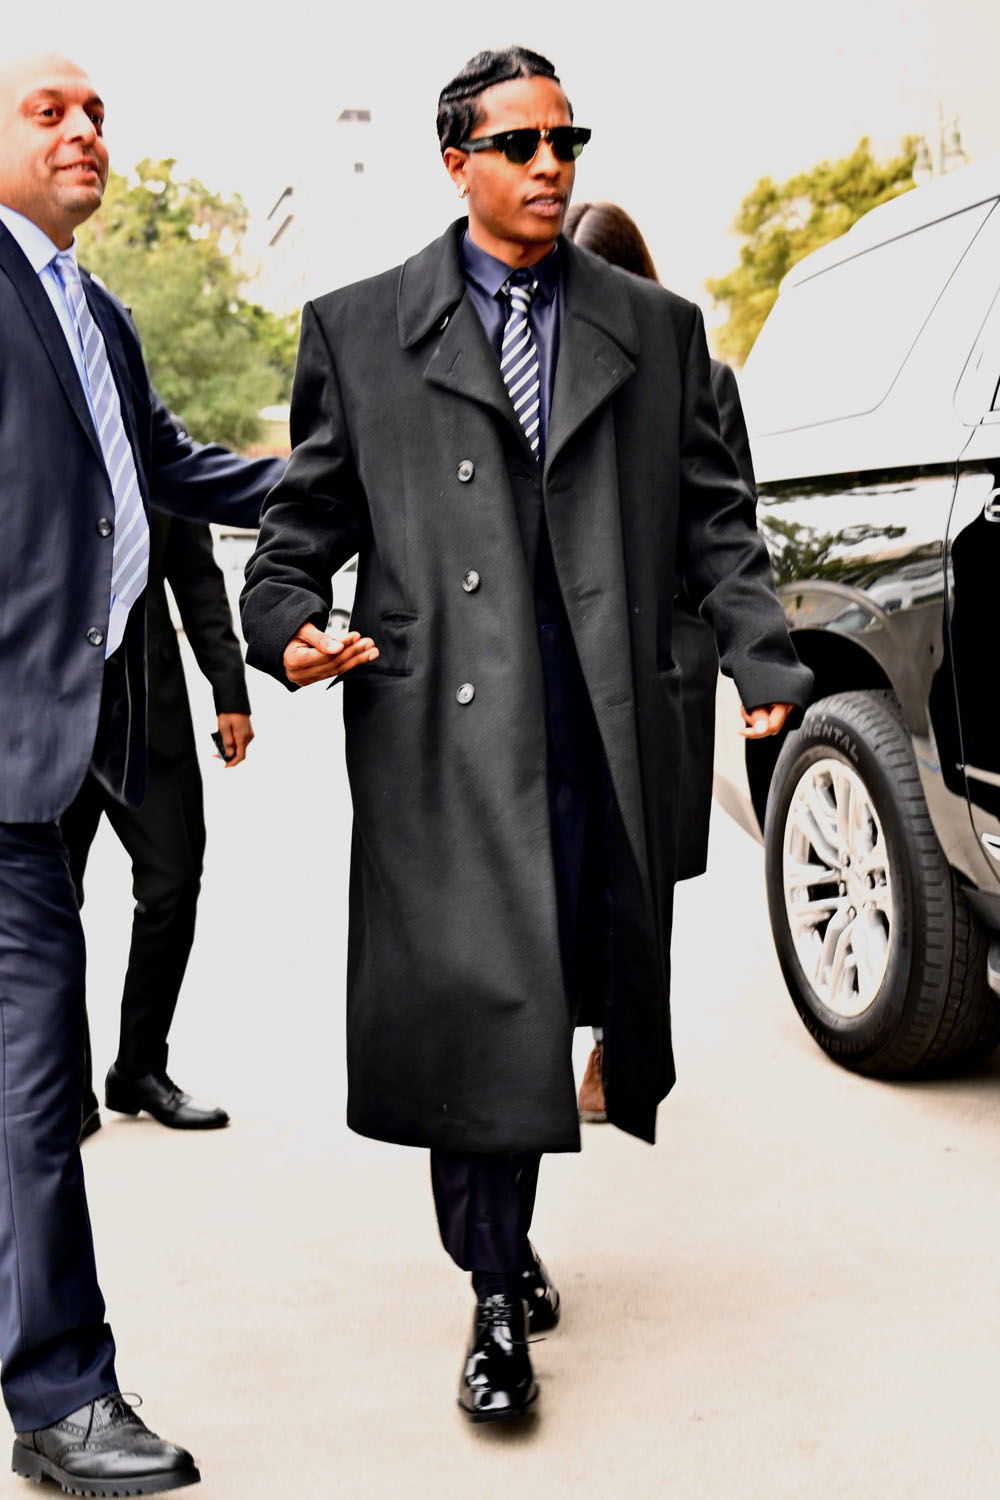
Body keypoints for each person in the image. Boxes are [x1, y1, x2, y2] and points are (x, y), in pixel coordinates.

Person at [241, 45, 813, 1424]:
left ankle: (500, 1247)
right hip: (442, 742)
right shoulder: (359, 330)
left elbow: (716, 518)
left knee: (547, 1003)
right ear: (458, 162)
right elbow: (298, 531)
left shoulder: (654, 330)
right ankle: (494, 1293)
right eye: (520, 144)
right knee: (480, 1013)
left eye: (567, 141)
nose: (551, 164)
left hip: (598, 723)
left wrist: (759, 648)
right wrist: (287, 623)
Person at [0, 52, 284, 1494]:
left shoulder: (94, 312)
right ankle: (60, 1401)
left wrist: (347, 482)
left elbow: (171, 469)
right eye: (48, 111)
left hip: (74, 739)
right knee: (33, 1089)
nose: (85, 132)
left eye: (98, 113)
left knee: (27, 1084)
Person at [564, 200, 760, 1124]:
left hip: (658, 660)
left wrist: (723, 644)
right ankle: (559, 1034)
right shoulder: (544, 378)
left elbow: (727, 519)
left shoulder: (700, 377)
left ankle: (618, 1048)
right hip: (566, 663)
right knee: (564, 860)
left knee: (640, 878)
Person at [63, 512, 253, 1139]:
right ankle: (65, 1086)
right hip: (45, 720)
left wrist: (228, 689)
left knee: (173, 883)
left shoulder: (154, 458)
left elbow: (196, 577)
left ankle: (139, 1067)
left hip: (148, 712)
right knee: (47, 905)